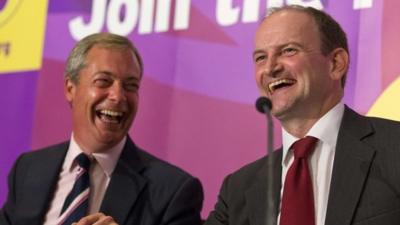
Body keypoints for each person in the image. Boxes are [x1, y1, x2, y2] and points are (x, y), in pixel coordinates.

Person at [205, 5, 400, 225]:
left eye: (288, 50)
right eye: (260, 57)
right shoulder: (239, 189)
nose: (270, 68)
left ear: (336, 63)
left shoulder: (394, 148)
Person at [0, 33, 203, 225]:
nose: (118, 96)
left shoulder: (173, 191)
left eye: (130, 86)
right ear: (70, 89)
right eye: (103, 81)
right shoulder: (28, 170)